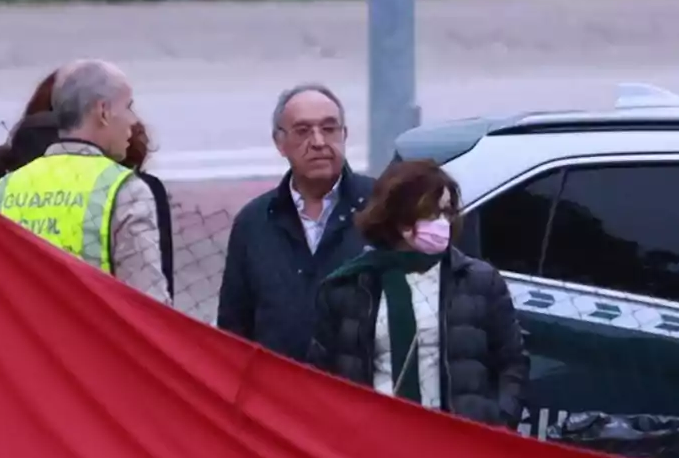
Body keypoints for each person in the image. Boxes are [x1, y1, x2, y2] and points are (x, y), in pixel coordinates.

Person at [307, 158, 528, 428]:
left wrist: (499, 421)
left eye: (447, 212)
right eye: (431, 214)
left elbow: (512, 363)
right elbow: (321, 376)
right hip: (374, 440)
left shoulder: (478, 281)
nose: (443, 223)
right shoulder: (347, 286)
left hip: (459, 441)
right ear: (399, 218)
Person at [0, 65, 175, 300]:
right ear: (103, 112)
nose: (133, 121)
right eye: (128, 107)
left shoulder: (4, 191)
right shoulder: (124, 189)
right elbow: (148, 303)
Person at [217, 84, 375, 361]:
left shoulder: (382, 208)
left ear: (344, 135)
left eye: (329, 129)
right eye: (303, 131)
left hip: (361, 395)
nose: (318, 142)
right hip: (277, 396)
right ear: (280, 143)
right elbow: (233, 330)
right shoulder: (254, 223)